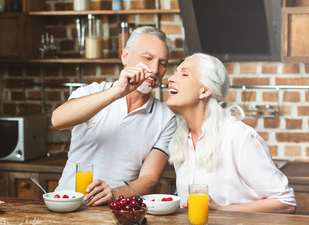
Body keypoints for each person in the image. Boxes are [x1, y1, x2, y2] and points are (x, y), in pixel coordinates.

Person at [52, 26, 176, 206]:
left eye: (162, 63)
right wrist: (118, 91)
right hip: (66, 204)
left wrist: (113, 194)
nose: (155, 69)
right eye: (148, 58)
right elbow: (58, 120)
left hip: (117, 209)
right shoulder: (94, 91)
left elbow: (150, 179)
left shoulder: (166, 118)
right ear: (126, 56)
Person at [167, 53, 296, 213]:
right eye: (175, 72)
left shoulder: (237, 136)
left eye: (184, 74)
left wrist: (222, 210)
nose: (171, 78)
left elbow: (286, 203)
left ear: (204, 90)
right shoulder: (179, 141)